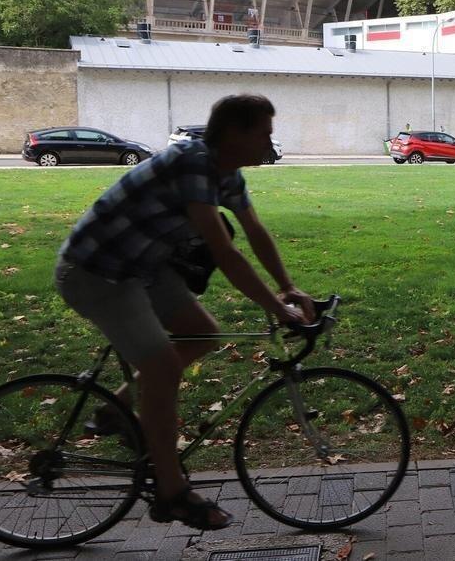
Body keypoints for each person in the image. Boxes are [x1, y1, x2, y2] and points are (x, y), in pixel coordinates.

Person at [54, 94, 314, 530]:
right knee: (162, 367)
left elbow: (254, 230)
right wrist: (275, 307)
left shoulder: (227, 173)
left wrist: (287, 287)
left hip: (141, 268)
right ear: (234, 133)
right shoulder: (193, 162)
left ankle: (116, 409)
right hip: (96, 271)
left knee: (201, 333)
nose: (270, 141)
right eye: (264, 133)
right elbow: (225, 250)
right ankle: (173, 493)